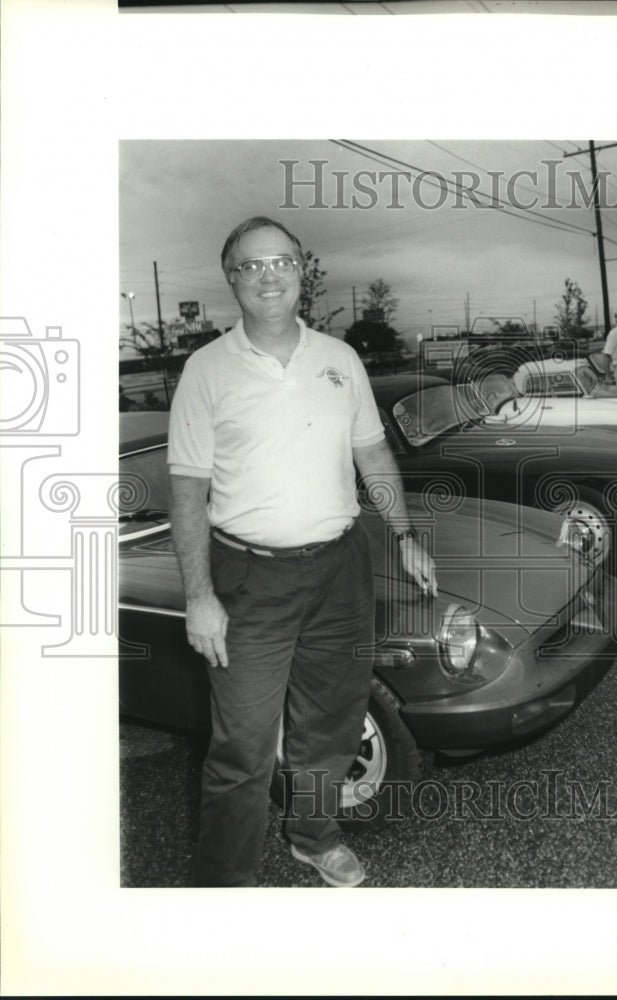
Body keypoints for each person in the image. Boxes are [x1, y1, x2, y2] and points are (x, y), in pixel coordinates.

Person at [167, 216, 438, 888]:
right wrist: (200, 596)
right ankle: (221, 886)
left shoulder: (339, 360)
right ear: (232, 278)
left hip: (339, 570)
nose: (268, 276)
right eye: (252, 265)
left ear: (300, 273)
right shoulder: (204, 371)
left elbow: (371, 452)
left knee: (331, 720)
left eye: (281, 262)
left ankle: (313, 838)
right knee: (242, 746)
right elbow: (187, 492)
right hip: (246, 577)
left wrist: (404, 536)